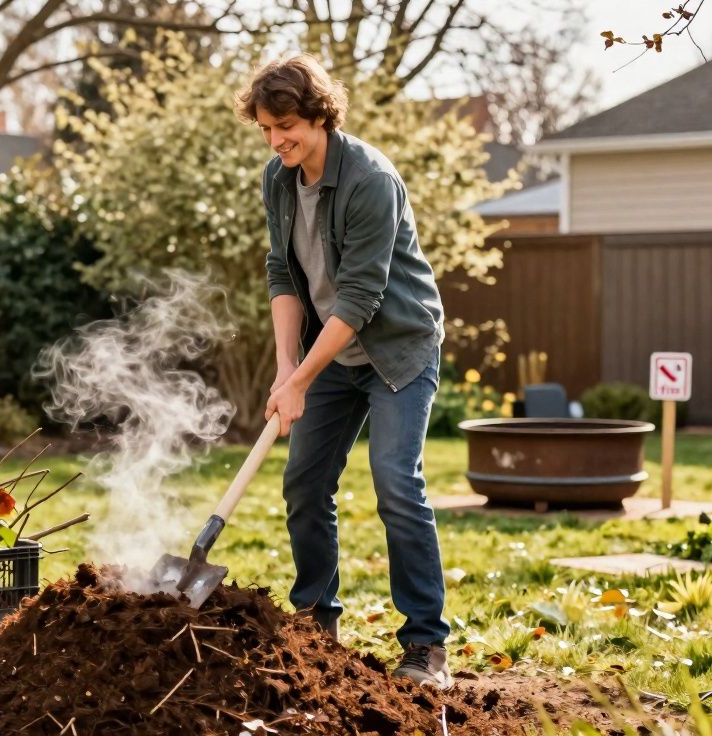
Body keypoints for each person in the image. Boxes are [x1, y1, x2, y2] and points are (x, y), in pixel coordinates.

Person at [234, 54, 453, 689]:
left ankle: (424, 644)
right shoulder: (279, 179)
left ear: (319, 114)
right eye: (267, 129)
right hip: (325, 352)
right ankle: (316, 627)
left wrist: (301, 377)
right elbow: (282, 272)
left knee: (394, 482)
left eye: (287, 126)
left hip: (395, 350)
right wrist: (285, 369)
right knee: (303, 484)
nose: (277, 141)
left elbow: (360, 298)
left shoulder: (369, 180)